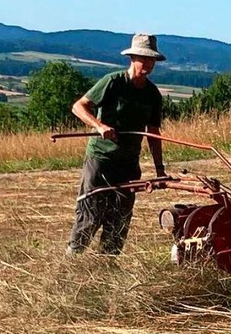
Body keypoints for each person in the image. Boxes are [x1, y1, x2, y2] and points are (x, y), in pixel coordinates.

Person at [66, 33, 167, 256]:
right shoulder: (113, 82)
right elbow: (79, 107)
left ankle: (107, 266)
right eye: (144, 58)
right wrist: (99, 126)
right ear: (132, 58)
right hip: (101, 160)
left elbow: (153, 133)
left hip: (128, 164)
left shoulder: (152, 94)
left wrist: (159, 170)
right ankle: (72, 263)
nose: (148, 64)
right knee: (90, 213)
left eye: (151, 60)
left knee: (119, 219)